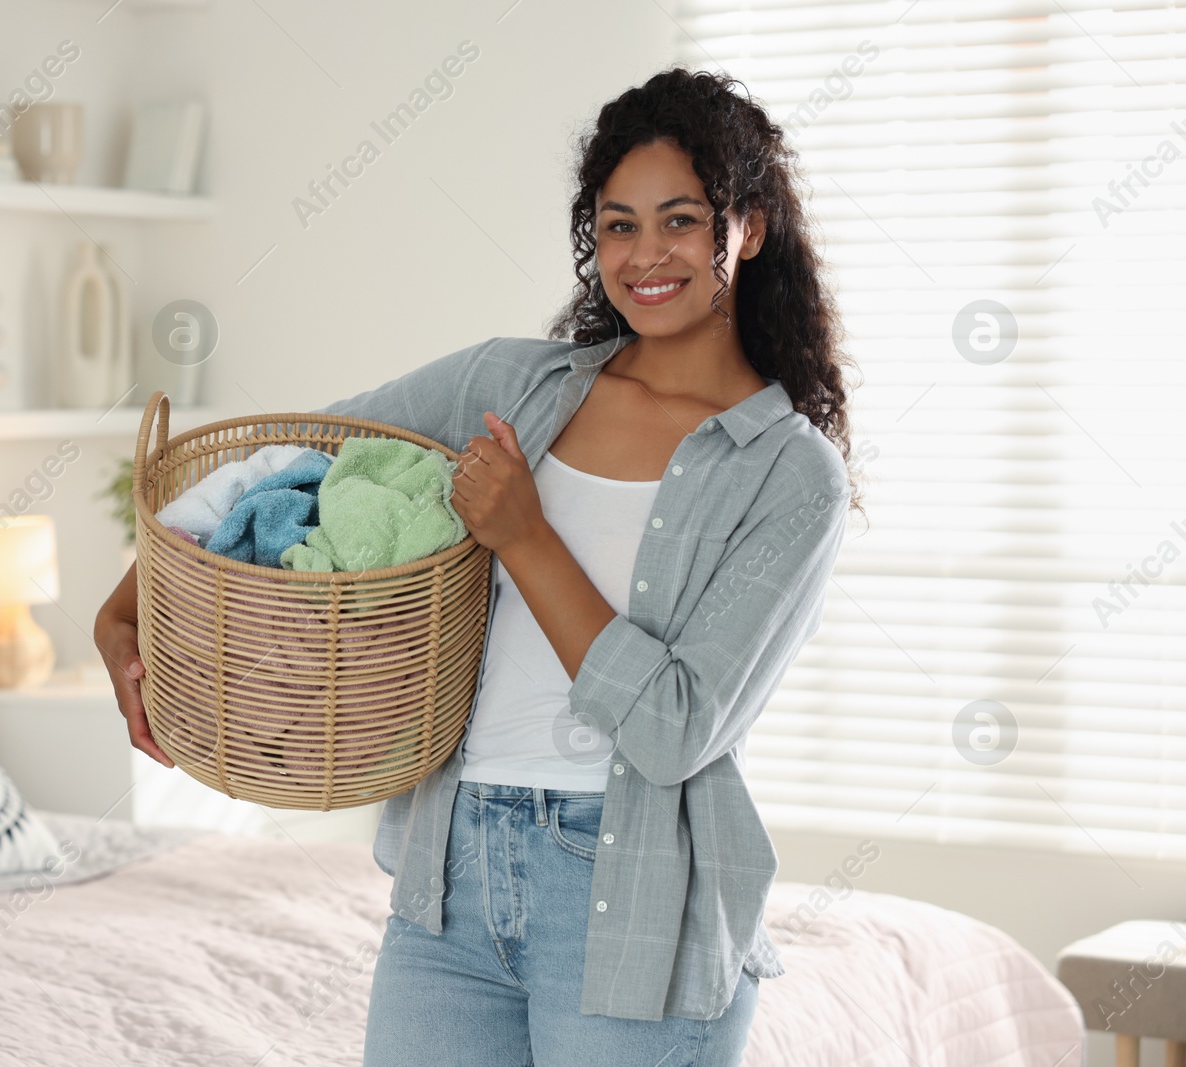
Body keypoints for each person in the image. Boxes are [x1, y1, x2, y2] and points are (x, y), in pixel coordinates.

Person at [93, 65, 863, 1066]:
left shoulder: (790, 474)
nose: (645, 255)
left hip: (635, 902)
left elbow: (675, 727)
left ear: (747, 225)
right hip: (450, 874)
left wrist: (526, 536)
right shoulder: (509, 383)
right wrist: (124, 611)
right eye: (617, 225)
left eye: (680, 219)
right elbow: (293, 452)